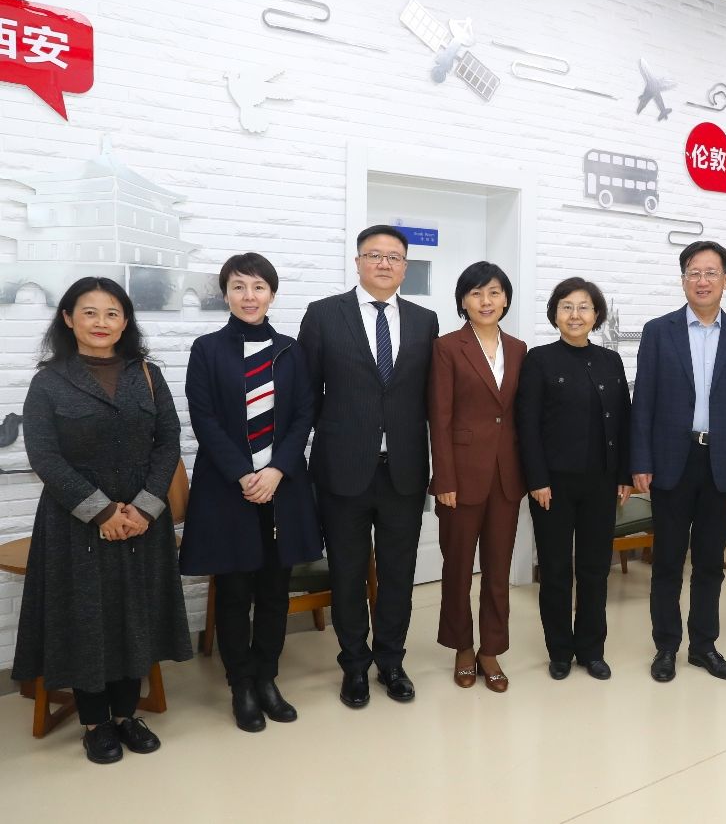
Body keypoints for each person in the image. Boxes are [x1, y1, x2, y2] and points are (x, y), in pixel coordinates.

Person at [13, 277, 192, 764]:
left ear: (125, 321)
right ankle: (95, 723)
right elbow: (44, 456)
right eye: (89, 312)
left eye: (112, 313)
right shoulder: (49, 381)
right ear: (68, 319)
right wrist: (104, 511)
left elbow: (168, 442)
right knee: (87, 618)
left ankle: (126, 715)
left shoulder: (147, 373)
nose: (101, 322)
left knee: (135, 613)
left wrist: (145, 506)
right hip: (76, 522)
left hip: (142, 518)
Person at [181, 253, 324, 731]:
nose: (249, 296)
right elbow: (204, 419)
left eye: (258, 287)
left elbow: (304, 414)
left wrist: (278, 469)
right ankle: (240, 684)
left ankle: (267, 678)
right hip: (229, 489)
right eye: (239, 286)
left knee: (274, 591)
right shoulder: (206, 349)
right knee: (235, 591)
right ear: (225, 294)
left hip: (282, 488)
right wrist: (244, 474)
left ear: (272, 294)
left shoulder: (291, 350)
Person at [298, 225, 439, 708]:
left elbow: (429, 398)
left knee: (399, 572)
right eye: (374, 255)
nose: (384, 263)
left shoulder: (425, 321)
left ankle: (391, 662)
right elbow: (305, 394)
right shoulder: (323, 315)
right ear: (358, 261)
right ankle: (354, 665)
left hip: (403, 469)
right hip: (342, 469)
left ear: (405, 267)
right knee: (347, 572)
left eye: (393, 257)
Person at [631, 240, 726, 683]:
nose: (702, 281)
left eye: (711, 273)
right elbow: (643, 401)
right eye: (694, 272)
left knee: (710, 562)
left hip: (721, 463)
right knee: (668, 561)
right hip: (672, 460)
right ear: (683, 279)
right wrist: (640, 460)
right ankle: (666, 646)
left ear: (725, 280)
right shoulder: (659, 331)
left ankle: (703, 646)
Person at [517, 277, 631, 681]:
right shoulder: (539, 360)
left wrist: (624, 475)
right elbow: (527, 425)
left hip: (602, 481)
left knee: (595, 569)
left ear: (596, 315)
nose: (575, 315)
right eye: (567, 306)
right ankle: (560, 651)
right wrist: (537, 479)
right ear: (555, 314)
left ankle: (591, 649)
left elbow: (624, 420)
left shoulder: (610, 361)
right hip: (553, 485)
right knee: (555, 569)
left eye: (584, 307)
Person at [430, 262, 527, 693]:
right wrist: (444, 479)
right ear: (463, 301)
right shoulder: (447, 347)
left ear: (505, 299)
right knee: (457, 568)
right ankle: (462, 647)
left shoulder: (520, 349)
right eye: (475, 293)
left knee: (498, 569)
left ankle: (491, 649)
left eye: (494, 292)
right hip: (461, 477)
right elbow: (439, 418)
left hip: (506, 476)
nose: (485, 301)